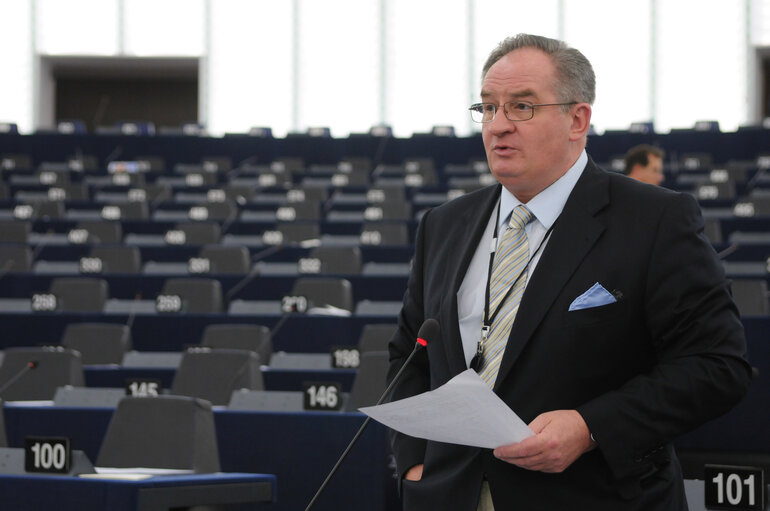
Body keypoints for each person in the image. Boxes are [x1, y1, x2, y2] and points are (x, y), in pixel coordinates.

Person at [386, 33, 752, 511]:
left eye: (522, 107)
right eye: (488, 108)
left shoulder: (655, 220)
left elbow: (717, 367)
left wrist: (591, 426)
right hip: (448, 494)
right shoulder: (444, 224)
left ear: (577, 119)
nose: (498, 126)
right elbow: (409, 356)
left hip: (591, 495)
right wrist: (415, 460)